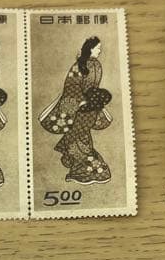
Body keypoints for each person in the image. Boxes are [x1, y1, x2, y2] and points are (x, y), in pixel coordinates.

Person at [39, 37, 113, 180]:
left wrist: (95, 100)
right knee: (80, 138)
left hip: (92, 106)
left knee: (84, 138)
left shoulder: (97, 65)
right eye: (97, 48)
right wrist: (81, 101)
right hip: (79, 108)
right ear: (90, 49)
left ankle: (81, 167)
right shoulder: (79, 65)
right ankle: (84, 169)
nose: (100, 50)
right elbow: (71, 86)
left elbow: (94, 87)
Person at [45, 85, 113, 183]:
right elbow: (105, 120)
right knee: (84, 157)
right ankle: (83, 175)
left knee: (82, 157)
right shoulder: (92, 112)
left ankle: (80, 175)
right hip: (80, 138)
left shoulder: (83, 109)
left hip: (75, 137)